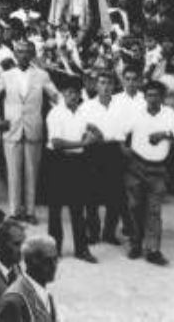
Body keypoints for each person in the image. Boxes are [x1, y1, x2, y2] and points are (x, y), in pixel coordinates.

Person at [0, 40, 60, 224]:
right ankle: (13, 212)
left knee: (32, 173)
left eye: (27, 52)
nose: (23, 55)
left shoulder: (42, 75)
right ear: (15, 54)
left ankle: (30, 211)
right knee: (13, 173)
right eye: (19, 51)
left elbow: (57, 97)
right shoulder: (6, 75)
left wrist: (57, 119)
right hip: (11, 129)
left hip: (33, 128)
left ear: (33, 54)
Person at [120, 79, 174, 266]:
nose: (152, 98)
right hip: (136, 166)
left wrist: (165, 134)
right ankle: (135, 244)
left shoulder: (170, 114)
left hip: (158, 168)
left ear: (163, 97)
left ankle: (153, 250)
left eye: (156, 95)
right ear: (145, 96)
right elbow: (120, 134)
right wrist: (124, 149)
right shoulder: (136, 113)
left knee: (154, 210)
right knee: (134, 207)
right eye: (149, 95)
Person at [44, 78, 98, 263]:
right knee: (55, 208)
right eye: (68, 92)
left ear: (80, 94)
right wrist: (84, 142)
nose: (72, 96)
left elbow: (96, 133)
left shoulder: (83, 113)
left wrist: (94, 133)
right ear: (62, 94)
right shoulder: (55, 113)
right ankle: (54, 250)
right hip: (57, 161)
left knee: (78, 207)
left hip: (78, 162)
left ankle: (81, 249)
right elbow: (57, 143)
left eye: (75, 93)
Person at [78, 70, 126, 245]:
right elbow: (80, 130)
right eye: (102, 83)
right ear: (96, 85)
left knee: (115, 194)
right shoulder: (87, 106)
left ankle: (109, 233)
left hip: (114, 150)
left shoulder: (121, 106)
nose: (105, 87)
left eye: (109, 83)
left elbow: (126, 130)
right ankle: (93, 231)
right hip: (94, 151)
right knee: (91, 195)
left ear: (114, 86)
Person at [0, 235, 60, 322]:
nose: (54, 266)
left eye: (55, 260)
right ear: (30, 262)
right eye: (47, 261)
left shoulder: (45, 295)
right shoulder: (14, 301)